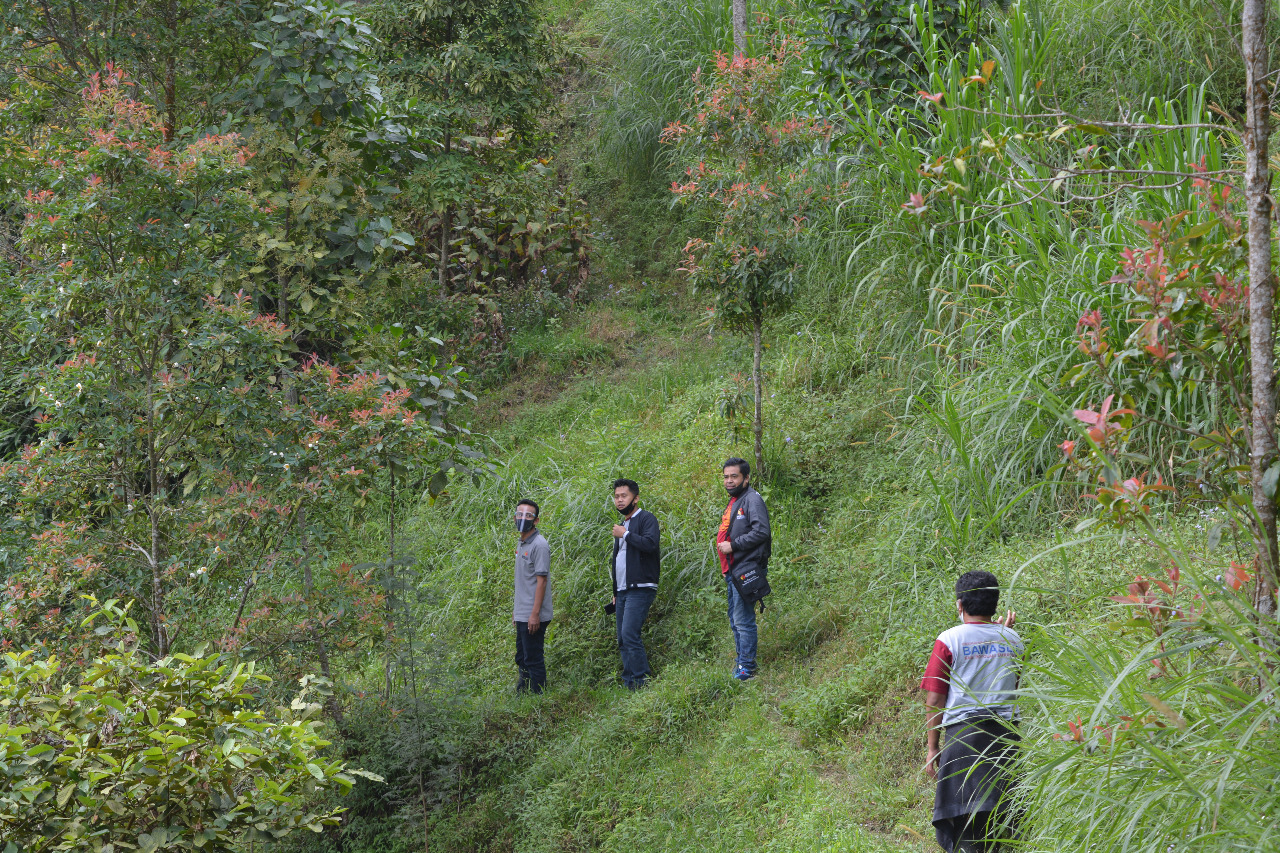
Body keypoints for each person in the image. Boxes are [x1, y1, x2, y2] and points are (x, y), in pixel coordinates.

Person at [921, 570, 1023, 853]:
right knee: (1004, 820)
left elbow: (935, 697)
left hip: (963, 740)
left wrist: (933, 747)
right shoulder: (1014, 640)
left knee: (966, 821)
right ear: (995, 603)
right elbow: (1015, 685)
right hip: (1006, 739)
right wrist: (1004, 632)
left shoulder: (949, 640)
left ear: (959, 604)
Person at [714, 457, 771, 681]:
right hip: (733, 570)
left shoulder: (752, 499)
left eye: (734, 476)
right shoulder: (736, 500)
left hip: (746, 568)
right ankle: (741, 664)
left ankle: (747, 668)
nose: (729, 481)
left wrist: (733, 545)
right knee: (735, 619)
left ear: (746, 478)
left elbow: (761, 532)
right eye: (726, 477)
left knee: (743, 619)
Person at [609, 478, 661, 690]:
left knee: (630, 634)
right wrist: (615, 591)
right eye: (617, 497)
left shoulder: (647, 519)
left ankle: (641, 682)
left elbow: (650, 544)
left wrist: (626, 535)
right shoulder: (622, 525)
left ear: (636, 498)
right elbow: (618, 560)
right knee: (622, 638)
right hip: (622, 590)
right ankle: (629, 682)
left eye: (624, 496)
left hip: (641, 587)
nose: (620, 501)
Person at [512, 498, 551, 694]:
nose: (523, 518)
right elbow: (523, 582)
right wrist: (516, 613)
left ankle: (538, 697)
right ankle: (523, 693)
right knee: (522, 656)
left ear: (536, 520)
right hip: (522, 612)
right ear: (514, 517)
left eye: (528, 515)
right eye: (520, 514)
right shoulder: (521, 543)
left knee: (533, 657)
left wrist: (534, 614)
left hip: (533, 613)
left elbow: (541, 581)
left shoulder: (539, 545)